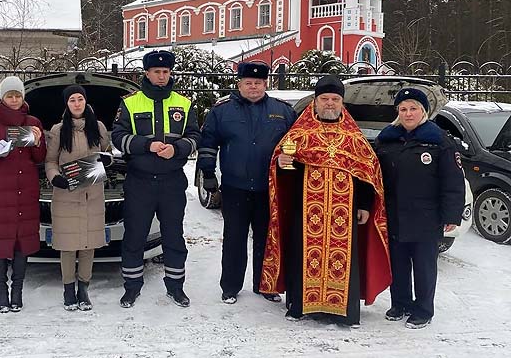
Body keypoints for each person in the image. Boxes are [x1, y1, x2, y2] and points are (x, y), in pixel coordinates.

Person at [260, 75, 392, 328]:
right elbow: (285, 169)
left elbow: (367, 173)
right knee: (303, 254)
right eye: (324, 99)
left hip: (346, 209)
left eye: (334, 99)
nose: (329, 104)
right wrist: (282, 164)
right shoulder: (300, 133)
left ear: (342, 102)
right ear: (315, 102)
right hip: (307, 209)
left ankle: (344, 311)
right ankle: (299, 306)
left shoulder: (354, 137)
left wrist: (364, 204)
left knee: (345, 258)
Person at [197, 62, 296, 305]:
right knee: (234, 238)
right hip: (235, 187)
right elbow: (208, 143)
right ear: (239, 84)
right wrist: (207, 173)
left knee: (267, 238)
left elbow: (295, 146)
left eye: (258, 83)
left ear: (266, 84)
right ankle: (230, 286)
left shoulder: (282, 111)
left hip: (269, 188)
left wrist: (292, 175)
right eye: (248, 83)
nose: (253, 87)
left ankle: (266, 284)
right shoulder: (222, 111)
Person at [111, 50, 201, 308]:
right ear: (147, 73)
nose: (162, 76)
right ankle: (131, 287)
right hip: (139, 181)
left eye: (166, 72)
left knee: (173, 236)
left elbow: (195, 135)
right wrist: (146, 145)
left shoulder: (184, 103)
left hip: (172, 181)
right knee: (134, 236)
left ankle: (176, 287)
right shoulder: (130, 103)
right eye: (156, 72)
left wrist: (178, 149)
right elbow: (118, 137)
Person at [375, 88, 465, 329]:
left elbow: (453, 181)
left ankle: (423, 309)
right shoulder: (387, 139)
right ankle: (400, 303)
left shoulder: (439, 141)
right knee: (398, 263)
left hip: (426, 216)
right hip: (395, 214)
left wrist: (451, 215)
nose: (408, 113)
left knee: (424, 266)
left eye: (413, 108)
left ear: (423, 111)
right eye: (403, 109)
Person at [0, 75, 46, 313]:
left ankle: (17, 291)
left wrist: (36, 142)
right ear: (2, 98)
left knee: (22, 242)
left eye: (17, 95)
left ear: (23, 97)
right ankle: (1, 291)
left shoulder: (32, 121)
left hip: (25, 191)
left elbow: (40, 158)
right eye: (9, 95)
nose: (14, 99)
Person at [45, 85, 112, 311]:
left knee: (87, 245)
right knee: (67, 246)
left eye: (80, 99)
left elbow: (108, 152)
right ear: (66, 104)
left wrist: (107, 159)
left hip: (92, 194)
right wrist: (55, 178)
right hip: (66, 194)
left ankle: (83, 289)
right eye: (72, 99)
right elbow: (50, 161)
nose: (76, 103)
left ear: (85, 101)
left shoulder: (99, 127)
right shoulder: (58, 130)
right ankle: (68, 290)